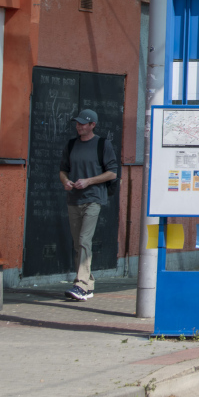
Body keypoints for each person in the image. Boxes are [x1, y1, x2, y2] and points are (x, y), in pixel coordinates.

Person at [60, 110, 119, 301]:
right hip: (74, 199)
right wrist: (66, 182)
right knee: (78, 243)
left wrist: (89, 181)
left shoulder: (103, 144)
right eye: (77, 123)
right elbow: (63, 170)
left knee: (85, 240)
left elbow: (112, 173)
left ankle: (81, 284)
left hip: (93, 198)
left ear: (93, 124)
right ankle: (88, 284)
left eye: (83, 124)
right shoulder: (71, 145)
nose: (79, 126)